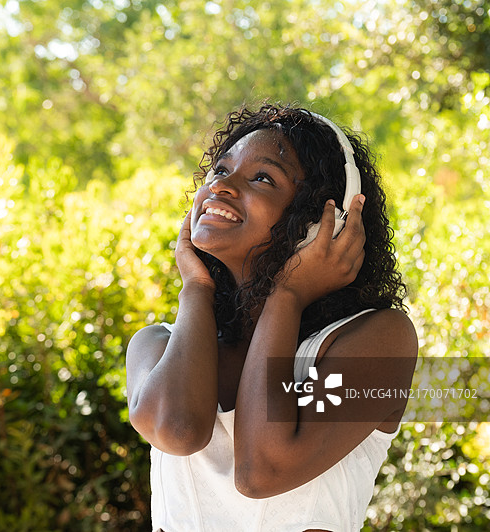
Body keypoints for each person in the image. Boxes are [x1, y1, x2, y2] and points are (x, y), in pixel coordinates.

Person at [125, 104, 418, 531]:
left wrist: (287, 294)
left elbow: (261, 472)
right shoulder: (155, 345)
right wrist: (197, 288)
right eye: (220, 170)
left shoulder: (380, 338)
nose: (220, 185)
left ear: (320, 224)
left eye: (262, 177)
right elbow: (179, 430)